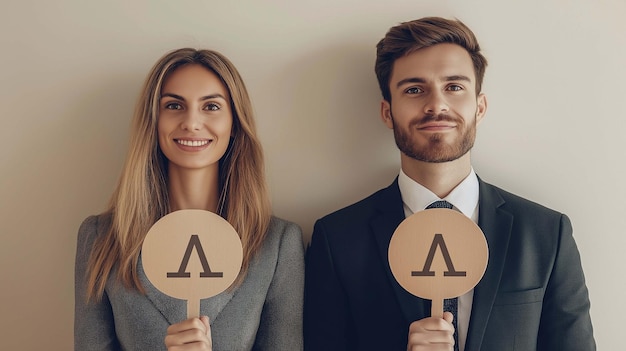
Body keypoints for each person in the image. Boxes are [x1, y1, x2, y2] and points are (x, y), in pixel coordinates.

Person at [304, 17, 595, 351]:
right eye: (414, 89)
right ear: (387, 112)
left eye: (454, 87)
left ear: (480, 107)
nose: (436, 105)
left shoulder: (547, 233)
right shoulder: (337, 238)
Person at [75, 48, 304, 351]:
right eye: (174, 105)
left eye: (210, 106)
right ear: (154, 121)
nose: (191, 122)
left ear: (234, 123)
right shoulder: (101, 238)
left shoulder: (277, 245)